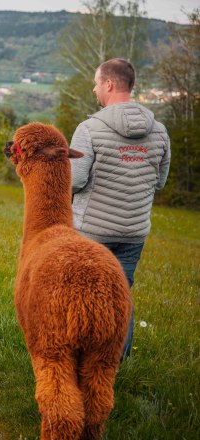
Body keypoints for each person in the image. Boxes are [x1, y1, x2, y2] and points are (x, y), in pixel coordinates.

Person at [70, 58, 170, 360]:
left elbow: (73, 181)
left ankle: (80, 361)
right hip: (134, 232)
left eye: (97, 82)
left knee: (83, 298)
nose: (94, 88)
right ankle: (115, 364)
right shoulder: (159, 131)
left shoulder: (89, 129)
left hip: (91, 232)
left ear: (110, 85)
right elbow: (160, 182)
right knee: (121, 297)